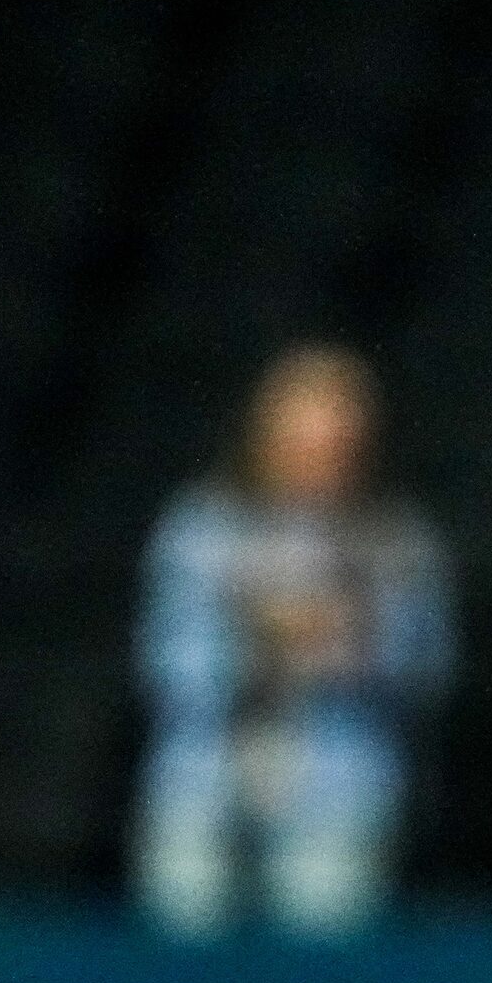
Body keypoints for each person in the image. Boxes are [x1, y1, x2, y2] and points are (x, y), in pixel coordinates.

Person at [134, 342, 454, 939]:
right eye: (303, 436)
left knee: (320, 975)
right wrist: (257, 635)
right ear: (267, 433)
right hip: (205, 781)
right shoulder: (204, 529)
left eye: (336, 439)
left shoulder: (395, 539)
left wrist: (345, 644)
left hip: (338, 786)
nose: (319, 453)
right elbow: (168, 666)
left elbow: (424, 669)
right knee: (184, 970)